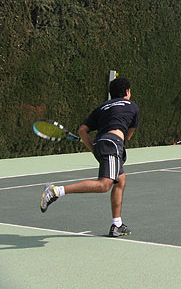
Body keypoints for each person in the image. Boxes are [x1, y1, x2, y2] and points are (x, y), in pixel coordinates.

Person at [39, 77, 140, 237]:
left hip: (102, 143)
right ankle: (56, 190)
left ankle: (117, 225)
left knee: (121, 180)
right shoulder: (132, 106)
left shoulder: (102, 107)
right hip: (113, 144)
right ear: (127, 91)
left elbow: (82, 131)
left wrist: (94, 149)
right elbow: (127, 136)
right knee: (104, 185)